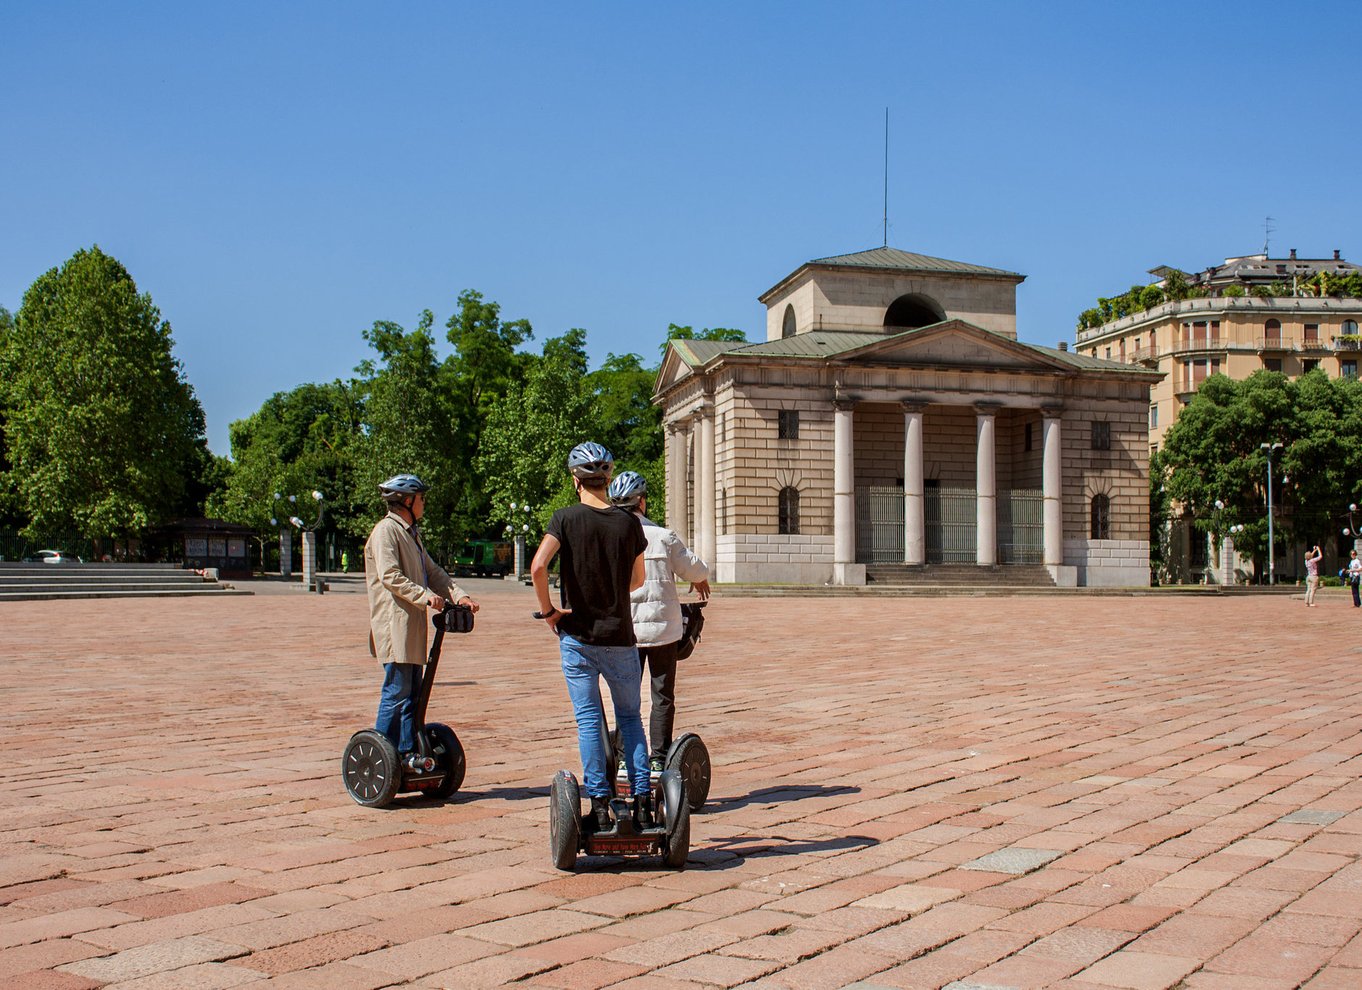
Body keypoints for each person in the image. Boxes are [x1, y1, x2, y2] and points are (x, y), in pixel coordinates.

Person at [530, 442, 650, 832]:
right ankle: (643, 801)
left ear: (575, 480)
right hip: (620, 637)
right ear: (608, 479)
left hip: (579, 637)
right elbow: (638, 580)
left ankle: (599, 804)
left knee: (588, 721)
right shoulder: (629, 523)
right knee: (630, 718)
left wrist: (550, 611)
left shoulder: (564, 518)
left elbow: (538, 566)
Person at [364, 473, 479, 766]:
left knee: (413, 694)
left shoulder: (411, 534)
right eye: (421, 498)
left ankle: (407, 755)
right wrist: (424, 596)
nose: (424, 503)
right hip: (395, 627)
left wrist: (459, 596)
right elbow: (389, 575)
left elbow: (434, 571)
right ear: (407, 501)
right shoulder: (386, 531)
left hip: (411, 628)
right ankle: (382, 757)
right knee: (397, 692)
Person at [607, 470, 710, 772]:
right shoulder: (663, 537)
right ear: (642, 502)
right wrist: (701, 579)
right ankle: (659, 758)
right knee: (662, 695)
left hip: (627, 631)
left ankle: (626, 757)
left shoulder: (611, 538)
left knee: (627, 698)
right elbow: (694, 568)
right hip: (664, 631)